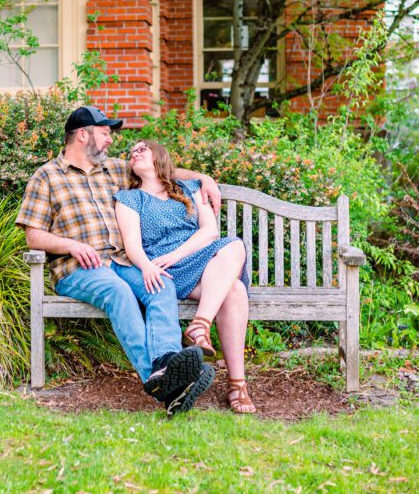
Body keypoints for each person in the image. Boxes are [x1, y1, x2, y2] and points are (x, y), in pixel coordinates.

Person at [17, 106, 222, 415]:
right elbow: (33, 236)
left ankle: (167, 363)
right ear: (83, 135)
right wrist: (71, 245)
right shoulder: (46, 176)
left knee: (160, 285)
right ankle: (157, 378)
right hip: (80, 269)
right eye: (105, 133)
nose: (111, 140)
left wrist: (204, 178)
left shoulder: (114, 169)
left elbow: (162, 169)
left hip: (122, 262)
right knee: (119, 293)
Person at [115, 140, 256, 414]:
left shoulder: (190, 189)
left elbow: (210, 232)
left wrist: (177, 254)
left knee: (234, 251)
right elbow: (132, 245)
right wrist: (148, 266)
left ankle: (200, 328)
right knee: (234, 289)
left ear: (160, 156)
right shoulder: (129, 199)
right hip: (166, 270)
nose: (135, 153)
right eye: (132, 152)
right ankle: (237, 385)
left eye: (142, 149)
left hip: (200, 260)